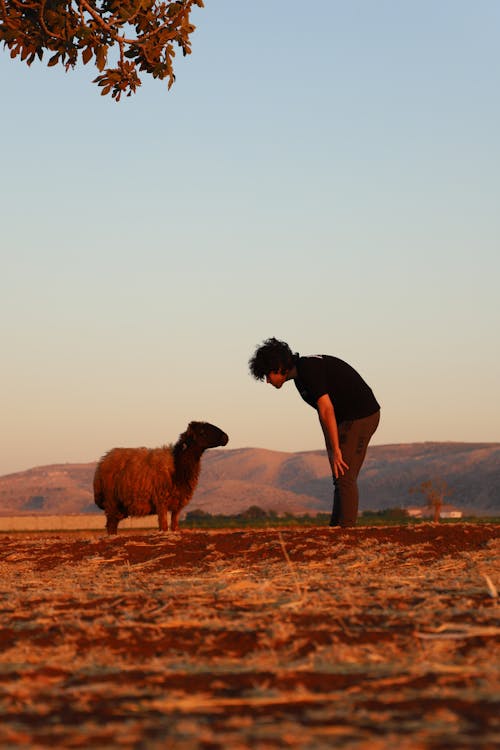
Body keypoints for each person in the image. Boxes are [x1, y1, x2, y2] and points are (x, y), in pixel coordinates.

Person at [249, 337, 380, 527]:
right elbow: (322, 414)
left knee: (345, 475)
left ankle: (347, 532)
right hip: (346, 420)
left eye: (267, 375)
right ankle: (336, 528)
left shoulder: (308, 370)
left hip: (361, 416)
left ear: (279, 367)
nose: (268, 381)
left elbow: (327, 409)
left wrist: (336, 449)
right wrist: (330, 444)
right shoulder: (300, 380)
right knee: (339, 475)